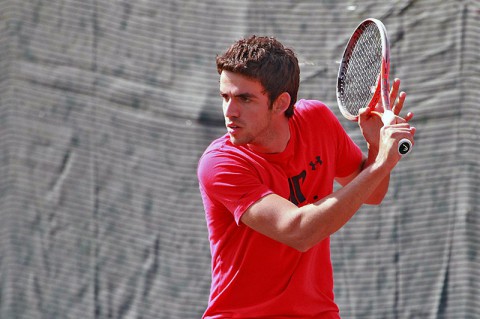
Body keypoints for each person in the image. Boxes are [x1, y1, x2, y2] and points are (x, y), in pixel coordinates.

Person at [197, 35, 416, 319]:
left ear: (280, 103)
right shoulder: (220, 163)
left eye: (244, 98)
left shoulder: (317, 120)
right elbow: (298, 232)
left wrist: (375, 149)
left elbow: (372, 194)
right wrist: (381, 164)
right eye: (225, 97)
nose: (230, 111)